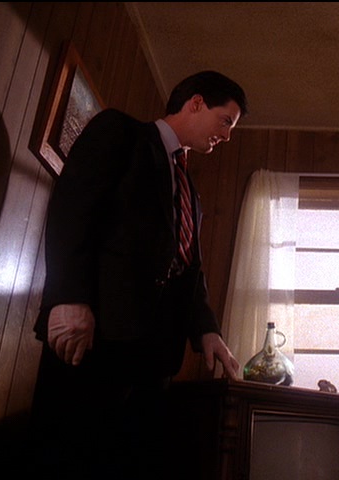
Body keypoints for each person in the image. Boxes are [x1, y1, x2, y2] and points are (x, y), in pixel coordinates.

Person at [28, 71, 248, 479]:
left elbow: (189, 265)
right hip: (95, 338)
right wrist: (68, 297)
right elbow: (72, 209)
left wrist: (206, 329)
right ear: (196, 103)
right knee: (66, 457)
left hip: (153, 360)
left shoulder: (190, 191)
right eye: (226, 121)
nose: (227, 136)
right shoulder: (120, 132)